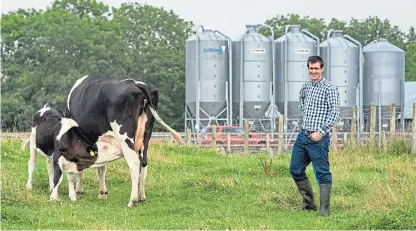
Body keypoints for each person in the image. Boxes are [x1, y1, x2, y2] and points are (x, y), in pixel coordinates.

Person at [289, 55, 340, 217]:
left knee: (322, 172)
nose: (313, 71)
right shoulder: (306, 86)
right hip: (303, 135)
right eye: (311, 68)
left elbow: (334, 113)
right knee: (295, 169)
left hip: (318, 139)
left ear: (322, 69)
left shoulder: (329, 88)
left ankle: (324, 210)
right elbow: (301, 102)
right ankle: (309, 203)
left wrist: (321, 131)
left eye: (316, 68)